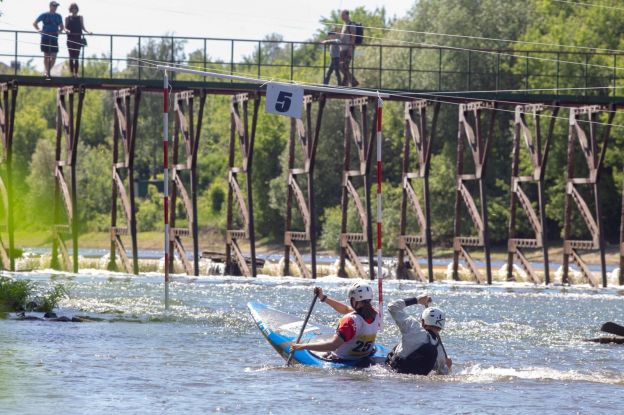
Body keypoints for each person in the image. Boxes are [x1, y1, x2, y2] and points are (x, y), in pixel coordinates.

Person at [291, 282, 380, 363]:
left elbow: (332, 346)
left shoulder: (350, 321)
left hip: (343, 359)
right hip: (364, 356)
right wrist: (323, 298)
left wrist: (303, 346)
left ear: (354, 300)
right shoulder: (375, 313)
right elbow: (346, 309)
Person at [386, 293, 452, 375]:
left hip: (392, 372)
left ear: (423, 322)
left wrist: (417, 300)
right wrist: (448, 366)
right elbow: (442, 374)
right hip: (416, 381)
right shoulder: (440, 352)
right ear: (441, 327)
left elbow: (392, 306)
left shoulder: (414, 328)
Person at [33, 1, 65, 79]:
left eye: (56, 6)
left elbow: (62, 27)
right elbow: (35, 23)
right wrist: (39, 29)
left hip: (54, 38)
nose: (55, 7)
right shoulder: (44, 15)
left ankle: (47, 71)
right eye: (54, 6)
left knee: (53, 57)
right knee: (46, 56)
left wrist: (60, 31)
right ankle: (47, 72)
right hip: (45, 38)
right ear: (50, 6)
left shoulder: (58, 16)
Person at [65, 3, 91, 77]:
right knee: (71, 56)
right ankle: (71, 73)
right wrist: (66, 30)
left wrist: (88, 32)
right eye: (72, 8)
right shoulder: (67, 18)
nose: (74, 10)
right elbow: (65, 28)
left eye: (75, 8)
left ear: (77, 9)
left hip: (78, 39)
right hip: (70, 39)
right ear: (70, 9)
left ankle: (76, 73)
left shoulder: (80, 17)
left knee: (76, 57)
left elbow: (83, 27)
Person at [338, 10, 359, 87]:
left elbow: (353, 38)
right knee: (340, 65)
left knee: (344, 66)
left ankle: (350, 82)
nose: (341, 17)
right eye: (341, 15)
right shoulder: (344, 25)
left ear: (347, 15)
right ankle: (348, 82)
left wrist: (350, 49)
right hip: (342, 50)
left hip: (348, 49)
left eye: (343, 15)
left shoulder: (351, 25)